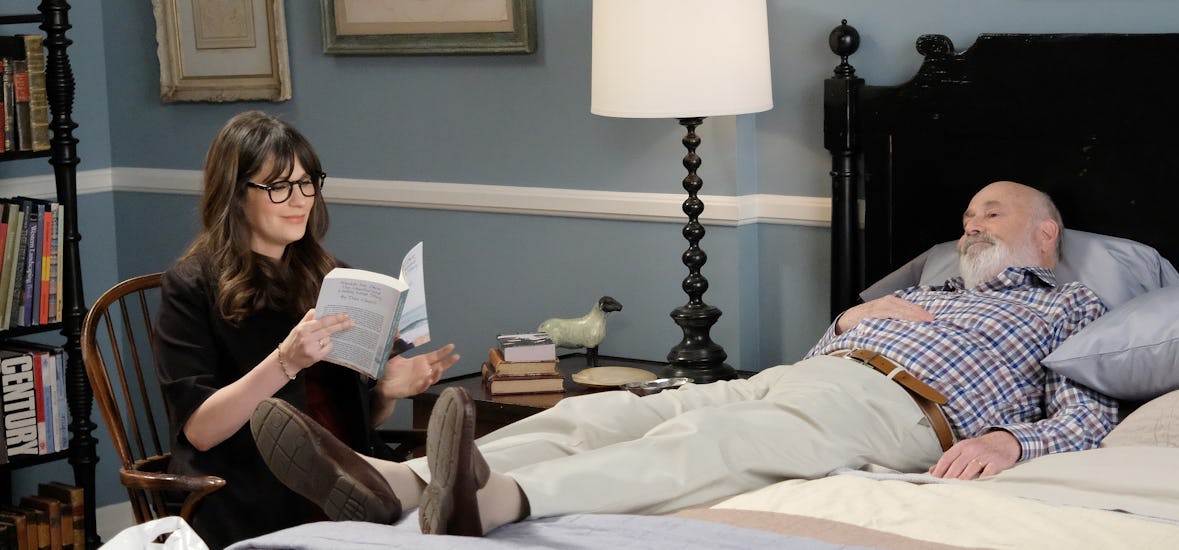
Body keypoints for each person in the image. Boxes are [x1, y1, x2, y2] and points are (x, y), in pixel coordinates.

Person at [250, 180, 1119, 538]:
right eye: (966, 217)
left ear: (1047, 233)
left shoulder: (1071, 307)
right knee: (613, 411)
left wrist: (1011, 442)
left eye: (993, 214)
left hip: (898, 409)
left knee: (709, 447)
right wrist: (854, 319)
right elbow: (818, 359)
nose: (971, 227)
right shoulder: (928, 291)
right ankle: (397, 483)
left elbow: (1091, 408)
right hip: (808, 375)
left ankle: (495, 501)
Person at [152, 110, 460, 548]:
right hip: (252, 487)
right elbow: (200, 430)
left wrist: (385, 393)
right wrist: (285, 362)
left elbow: (340, 415)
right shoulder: (191, 287)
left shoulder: (330, 277)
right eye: (279, 187)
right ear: (236, 194)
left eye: (306, 183)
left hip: (347, 469)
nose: (299, 200)